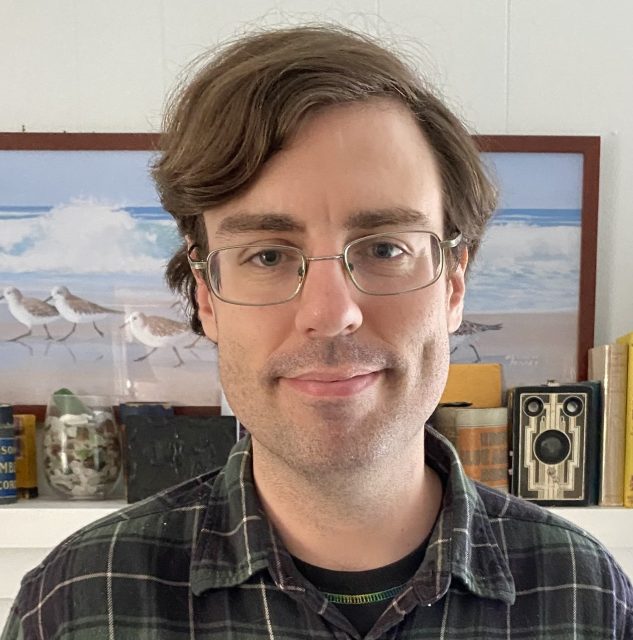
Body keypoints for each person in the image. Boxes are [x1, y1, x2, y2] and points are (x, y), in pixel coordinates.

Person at [3, 25, 632, 640]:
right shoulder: (77, 602)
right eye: (268, 255)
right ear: (206, 296)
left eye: (386, 247)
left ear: (454, 284)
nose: (331, 315)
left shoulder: (587, 596)